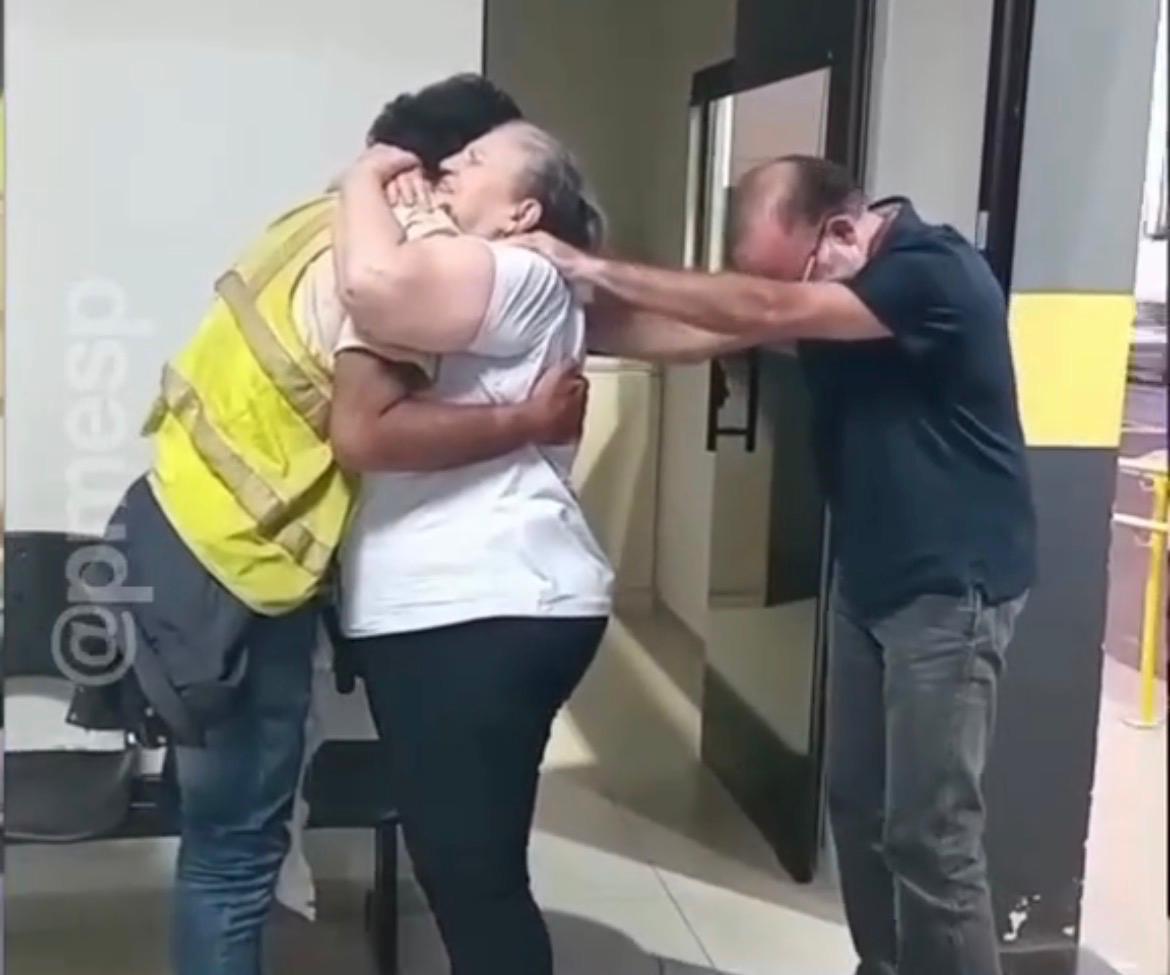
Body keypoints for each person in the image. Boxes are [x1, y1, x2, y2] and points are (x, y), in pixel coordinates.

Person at [74, 75, 591, 975]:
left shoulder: (312, 217)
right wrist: (527, 420)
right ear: (431, 171)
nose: (463, 180)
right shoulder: (406, 251)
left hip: (170, 521)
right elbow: (365, 430)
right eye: (470, 161)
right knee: (238, 852)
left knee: (217, 844)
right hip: (244, 570)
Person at [514, 154, 1037, 975]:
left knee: (931, 836)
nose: (779, 298)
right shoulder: (832, 286)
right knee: (856, 807)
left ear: (841, 232)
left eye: (788, 277)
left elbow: (766, 307)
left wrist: (591, 263)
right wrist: (543, 306)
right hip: (869, 576)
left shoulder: (933, 271)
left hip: (951, 585)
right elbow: (703, 330)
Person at [329, 121, 613, 975]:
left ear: (524, 212)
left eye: (478, 160)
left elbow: (374, 284)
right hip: (469, 606)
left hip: (479, 605)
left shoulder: (521, 269)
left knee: (473, 884)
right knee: (470, 874)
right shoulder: (483, 277)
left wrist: (363, 178)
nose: (450, 164)